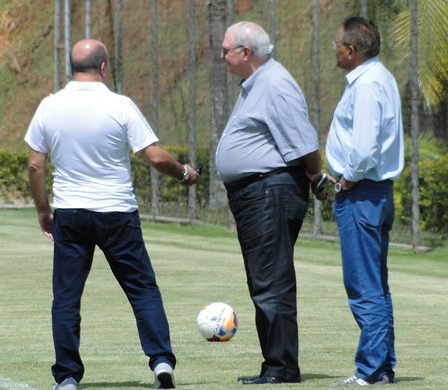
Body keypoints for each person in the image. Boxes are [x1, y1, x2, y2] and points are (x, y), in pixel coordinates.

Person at [25, 39, 199, 390]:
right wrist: (184, 173)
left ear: (72, 68)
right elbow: (154, 156)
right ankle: (161, 362)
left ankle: (68, 377)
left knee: (67, 298)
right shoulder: (120, 105)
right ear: (104, 67)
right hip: (117, 213)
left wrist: (44, 210)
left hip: (71, 214)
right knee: (143, 291)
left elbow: (34, 165)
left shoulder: (49, 106)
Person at [215, 21, 326, 385]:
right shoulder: (256, 84)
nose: (222, 56)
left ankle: (281, 368)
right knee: (264, 280)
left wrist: (315, 177)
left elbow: (304, 141)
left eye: (226, 50)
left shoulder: (275, 84)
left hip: (269, 192)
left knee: (271, 282)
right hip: (258, 193)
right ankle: (275, 364)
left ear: (245, 53)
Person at [325, 16, 404, 387]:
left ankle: (370, 370)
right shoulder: (377, 78)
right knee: (376, 285)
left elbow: (364, 147)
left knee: (364, 286)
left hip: (362, 193)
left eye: (338, 44)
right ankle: (383, 366)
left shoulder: (368, 84)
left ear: (352, 50)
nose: (334, 49)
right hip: (374, 192)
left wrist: (344, 181)